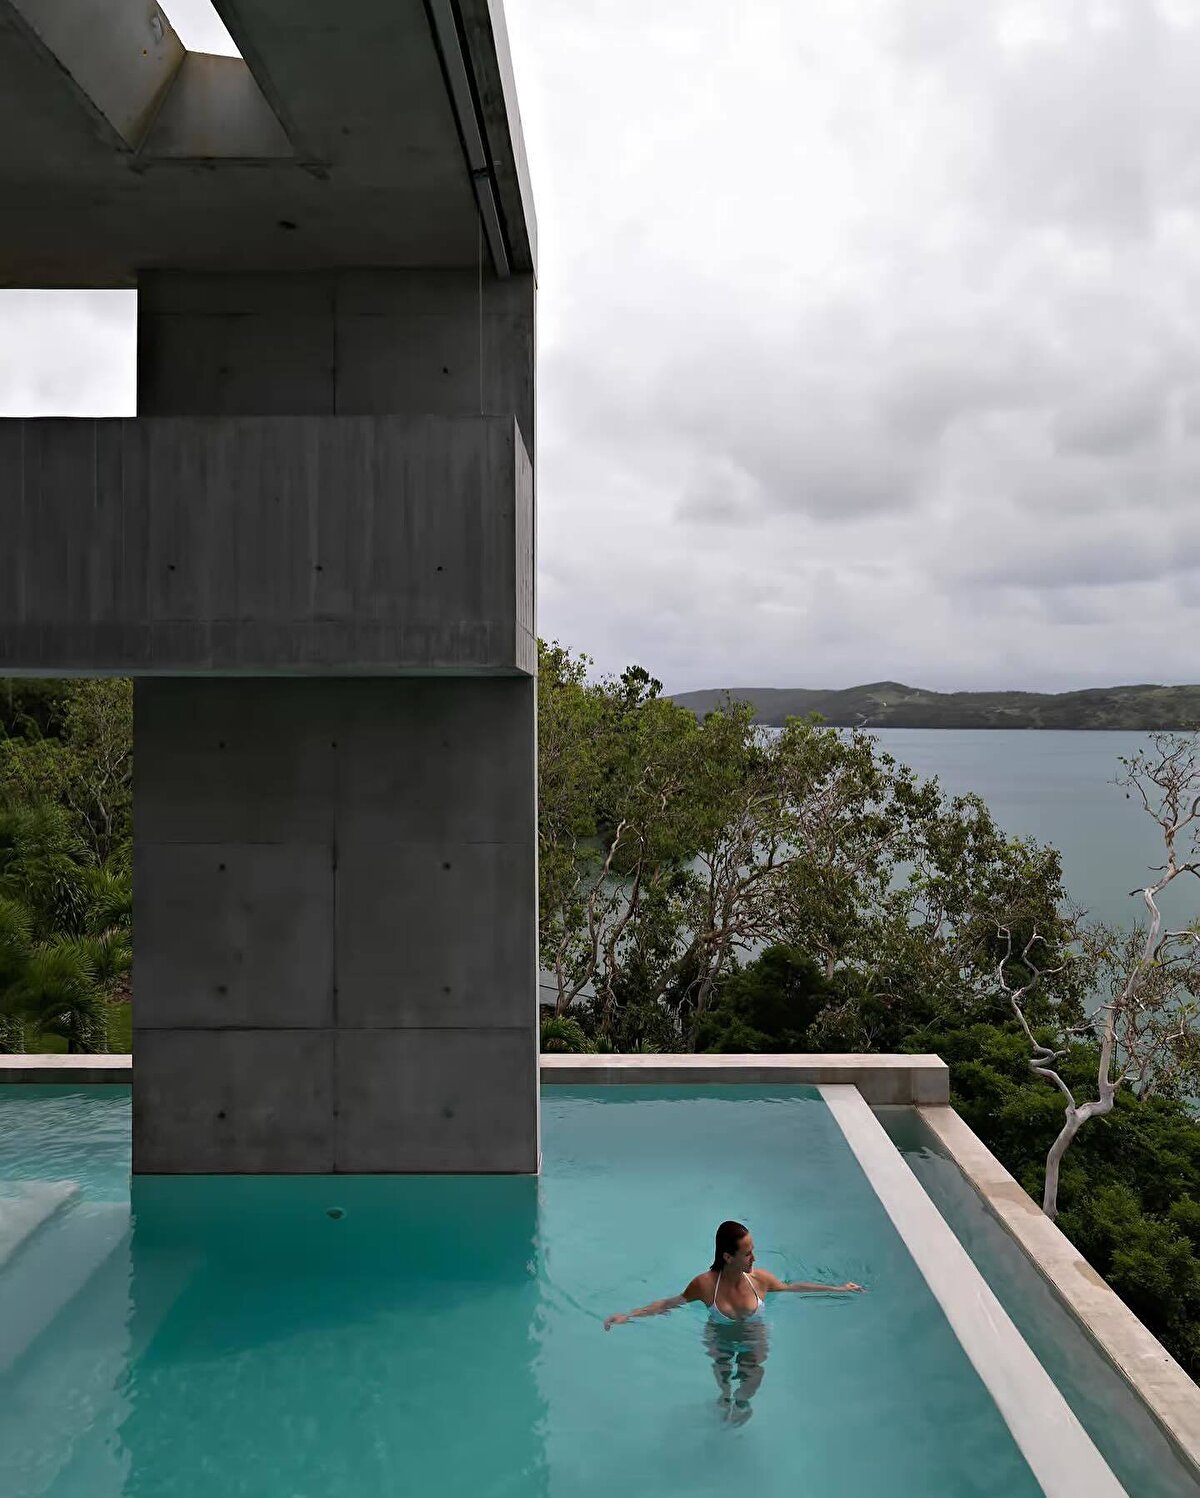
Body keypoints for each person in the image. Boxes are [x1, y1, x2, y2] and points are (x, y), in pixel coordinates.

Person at [602, 1220, 864, 1422]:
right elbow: (670, 1303)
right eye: (748, 1253)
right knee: (723, 1372)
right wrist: (629, 1316)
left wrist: (839, 1289)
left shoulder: (759, 1280)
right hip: (720, 1335)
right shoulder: (705, 1285)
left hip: (753, 1334)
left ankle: (741, 1402)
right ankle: (725, 1397)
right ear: (728, 1257)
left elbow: (793, 1288)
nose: (754, 1258)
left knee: (753, 1374)